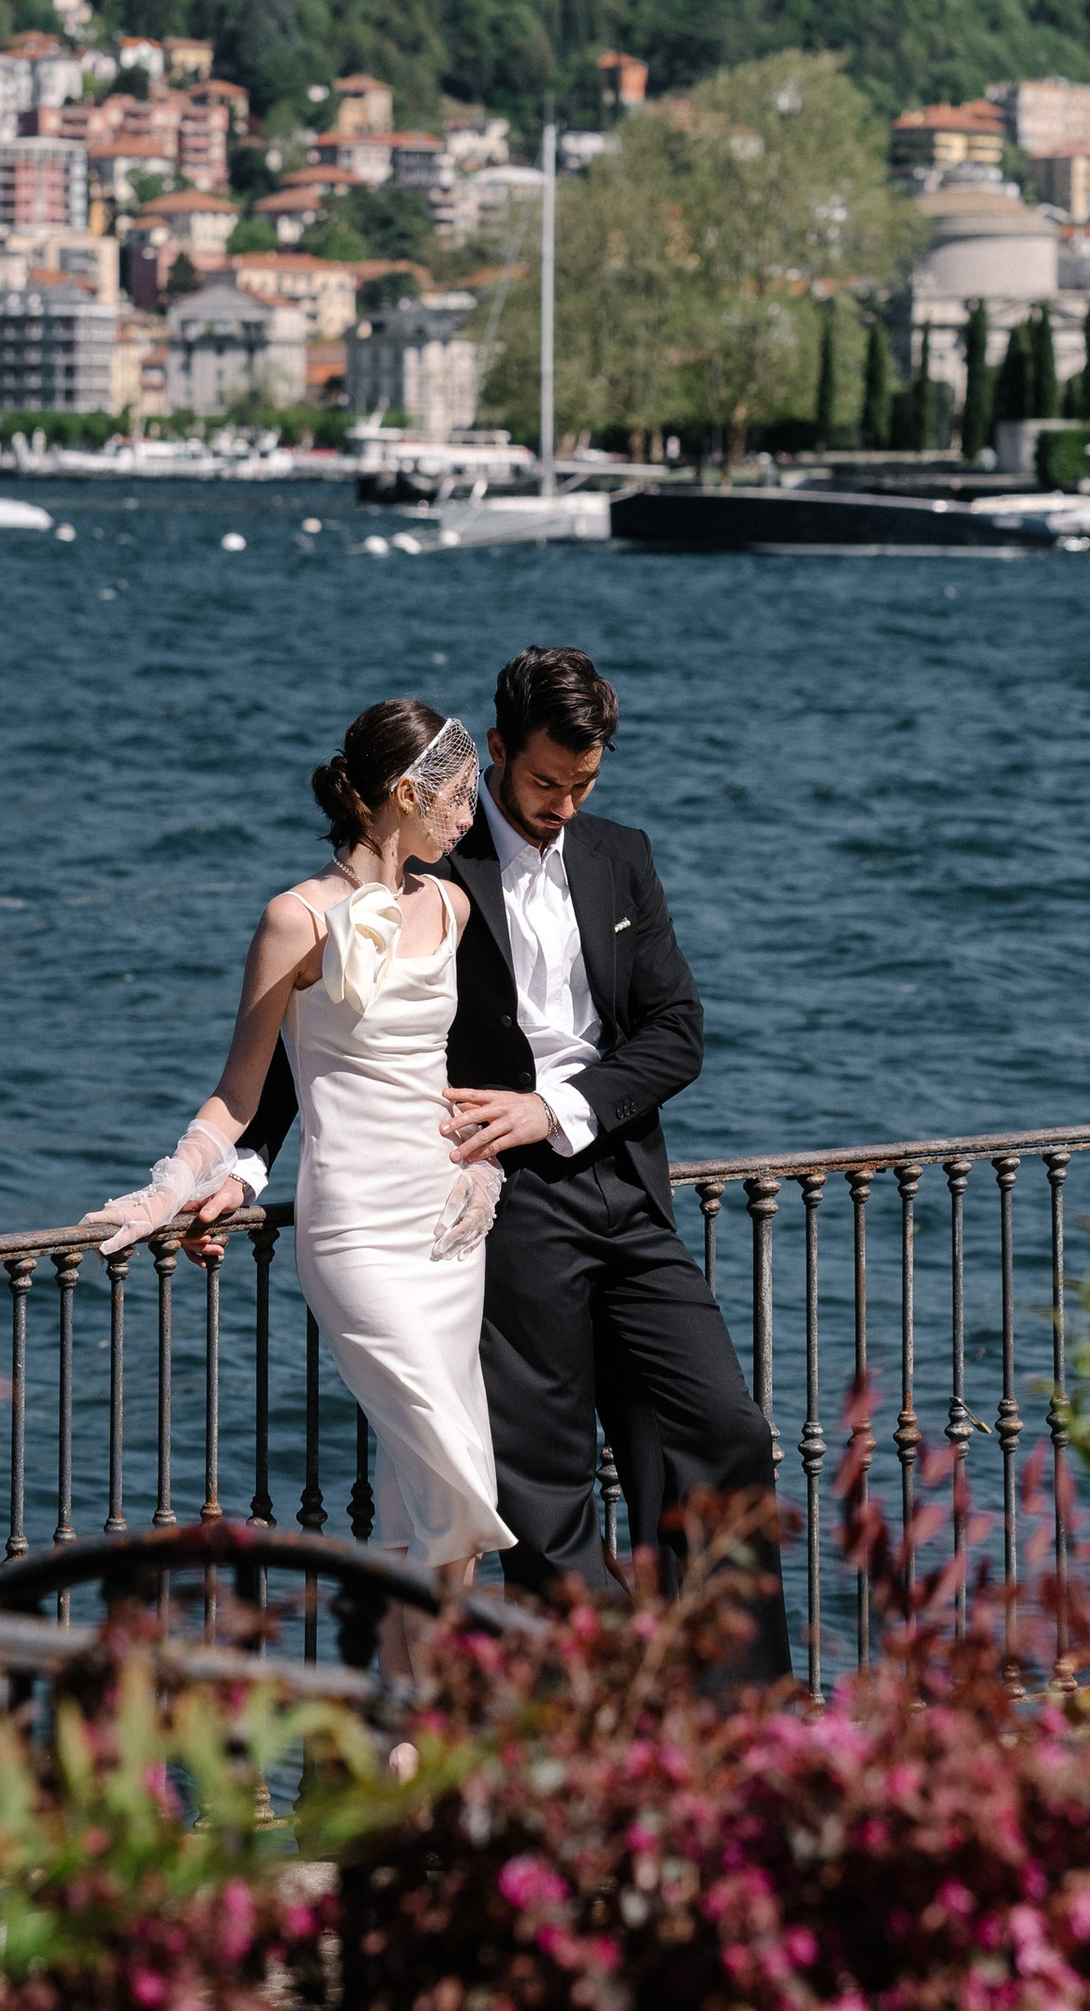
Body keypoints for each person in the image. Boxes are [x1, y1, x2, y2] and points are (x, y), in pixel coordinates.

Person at [247, 645, 791, 1679]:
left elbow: (677, 1031)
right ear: (496, 750)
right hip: (496, 1196)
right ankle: (597, 1711)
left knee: (723, 1429)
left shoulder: (621, 854)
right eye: (546, 782)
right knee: (544, 1486)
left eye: (584, 784)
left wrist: (556, 1109)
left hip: (621, 1178)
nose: (563, 806)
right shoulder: (433, 869)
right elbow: (313, 1037)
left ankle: (738, 1713)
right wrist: (239, 1165)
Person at [84, 700, 512, 1658]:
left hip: (448, 1227)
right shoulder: (295, 918)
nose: (468, 816)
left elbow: (453, 1070)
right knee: (458, 1473)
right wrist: (170, 1187)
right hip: (356, 1232)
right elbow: (240, 1092)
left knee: (421, 1490)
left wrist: (484, 1164)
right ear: (406, 795)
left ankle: (408, 1711)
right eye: (455, 797)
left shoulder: (451, 905)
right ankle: (432, 1708)